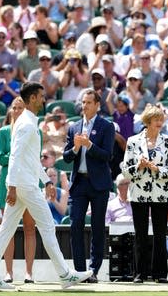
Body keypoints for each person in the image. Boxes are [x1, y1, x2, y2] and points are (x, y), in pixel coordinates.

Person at [0, 82, 93, 290]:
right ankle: (65, 275)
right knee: (47, 226)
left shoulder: (28, 122)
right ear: (32, 98)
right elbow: (14, 156)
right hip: (24, 185)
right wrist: (12, 186)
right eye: (41, 96)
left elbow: (31, 159)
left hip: (23, 183)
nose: (44, 99)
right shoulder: (26, 124)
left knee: (6, 229)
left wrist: (47, 180)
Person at [63, 88, 115, 282]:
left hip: (99, 184)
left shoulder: (106, 126)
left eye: (88, 103)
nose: (84, 106)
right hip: (79, 184)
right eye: (83, 102)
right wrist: (76, 147)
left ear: (97, 105)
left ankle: (93, 271)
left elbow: (108, 155)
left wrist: (89, 145)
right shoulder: (73, 127)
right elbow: (66, 157)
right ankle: (79, 271)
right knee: (75, 224)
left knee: (97, 227)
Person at [122, 104, 168, 283]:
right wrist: (138, 166)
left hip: (161, 193)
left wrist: (157, 169)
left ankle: (160, 274)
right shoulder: (132, 141)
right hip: (138, 193)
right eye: (156, 119)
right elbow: (125, 170)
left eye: (161, 119)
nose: (160, 122)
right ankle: (139, 274)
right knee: (140, 235)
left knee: (160, 234)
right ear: (147, 121)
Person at [0, 98, 37, 283]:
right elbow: (1, 158)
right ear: (10, 111)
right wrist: (17, 154)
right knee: (8, 229)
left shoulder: (34, 129)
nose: (18, 110)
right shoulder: (4, 132)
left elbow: (35, 159)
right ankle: (8, 272)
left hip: (29, 182)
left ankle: (29, 273)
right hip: (9, 184)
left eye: (21, 108)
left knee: (30, 228)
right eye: (15, 108)